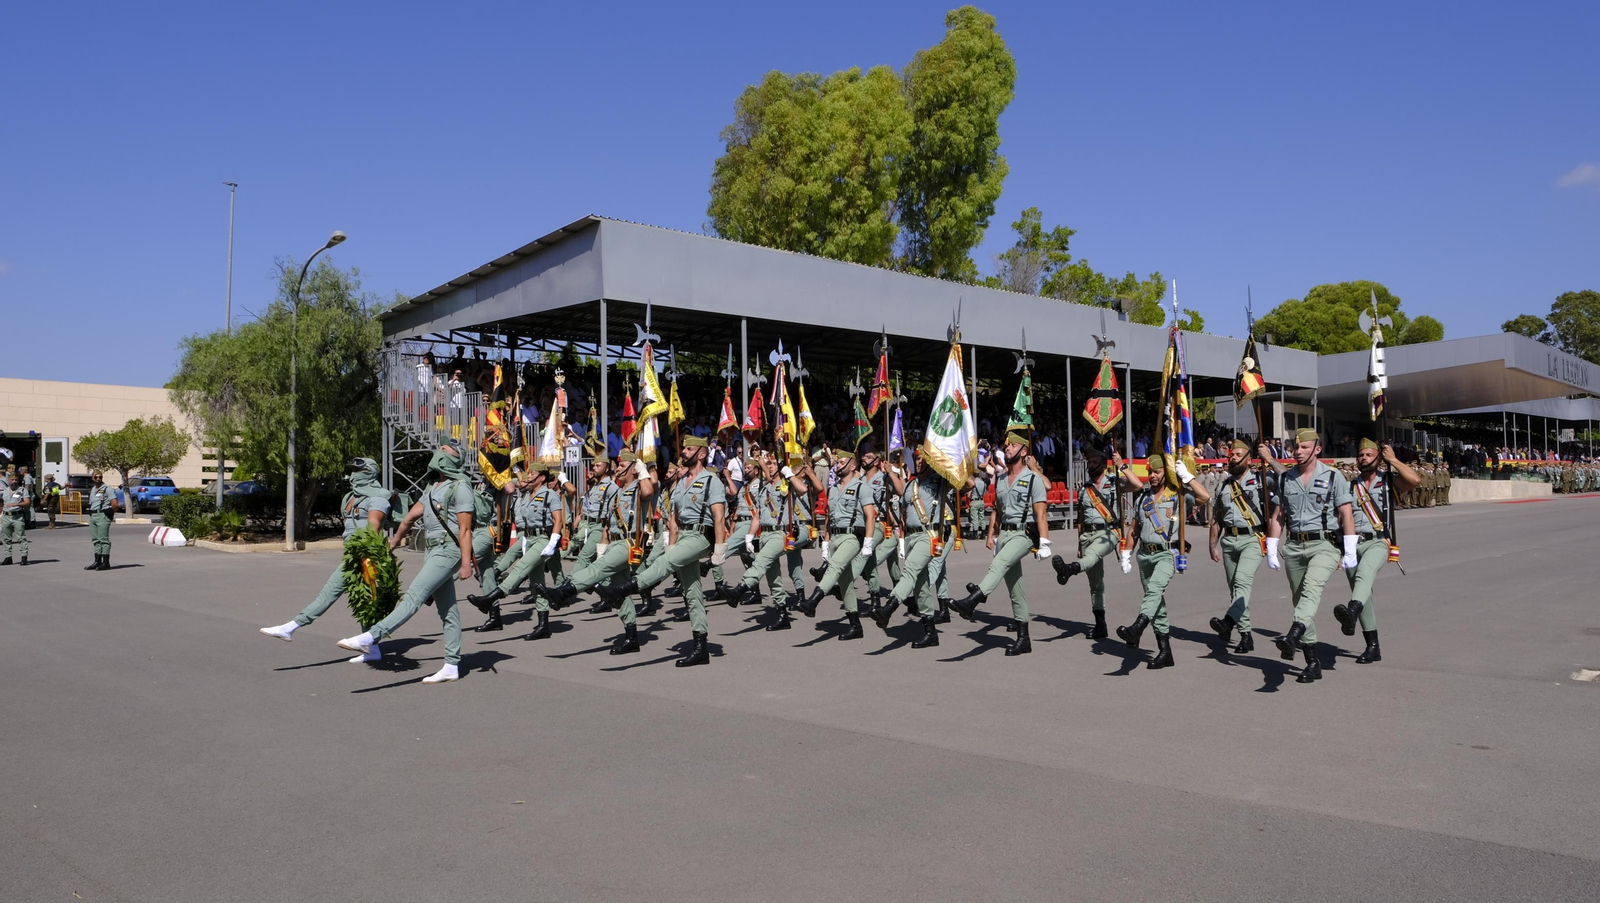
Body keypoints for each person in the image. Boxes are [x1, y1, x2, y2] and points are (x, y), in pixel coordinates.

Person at [338, 444, 476, 685]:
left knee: (414, 596)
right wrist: (394, 541)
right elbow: (411, 517)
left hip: (448, 550)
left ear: (454, 459)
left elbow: (465, 529)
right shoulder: (433, 486)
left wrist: (466, 563)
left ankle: (371, 637)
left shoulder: (460, 486)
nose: (439, 450)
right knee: (448, 610)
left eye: (445, 449)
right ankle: (452, 665)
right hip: (432, 550)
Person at [597, 434, 728, 667]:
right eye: (684, 448)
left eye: (689, 449)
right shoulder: (680, 484)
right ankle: (701, 648)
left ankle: (623, 590)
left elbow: (719, 517)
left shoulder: (712, 481)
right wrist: (672, 545)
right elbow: (674, 520)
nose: (683, 452)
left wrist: (719, 550)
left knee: (663, 564)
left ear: (701, 454)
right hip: (683, 537)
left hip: (700, 536)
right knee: (692, 593)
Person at [259, 458, 392, 661]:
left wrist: (366, 553)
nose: (354, 474)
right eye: (353, 470)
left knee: (329, 593)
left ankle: (291, 627)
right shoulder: (350, 497)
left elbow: (374, 524)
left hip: (365, 555)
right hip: (351, 552)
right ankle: (373, 649)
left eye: (359, 470)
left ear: (370, 473)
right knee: (365, 602)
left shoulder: (379, 497)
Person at [1264, 428, 1359, 684]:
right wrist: (1272, 546)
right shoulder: (1285, 479)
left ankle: (1293, 634)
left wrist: (1350, 549)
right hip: (1294, 546)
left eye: (1304, 447)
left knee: (1311, 590)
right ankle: (1313, 661)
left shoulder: (1333, 476)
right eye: (1296, 447)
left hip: (1324, 545)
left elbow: (1346, 513)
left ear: (1317, 449)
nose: (1298, 451)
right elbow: (1278, 516)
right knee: (1300, 602)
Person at [539, 450, 656, 652]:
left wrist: (642, 469)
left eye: (622, 465)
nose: (618, 468)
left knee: (596, 569)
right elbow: (608, 525)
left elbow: (648, 492)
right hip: (615, 542)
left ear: (633, 469)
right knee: (619, 591)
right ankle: (632, 637)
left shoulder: (638, 486)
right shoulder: (618, 492)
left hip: (630, 543)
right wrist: (603, 547)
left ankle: (563, 592)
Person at [950, 432, 1054, 656]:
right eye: (1007, 445)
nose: (1007, 448)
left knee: (1000, 563)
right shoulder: (1001, 478)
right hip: (1005, 534)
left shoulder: (1033, 479)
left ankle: (973, 600)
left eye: (1013, 445)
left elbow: (1041, 513)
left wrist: (1045, 542)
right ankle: (1024, 639)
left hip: (1024, 534)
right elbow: (997, 510)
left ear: (1024, 452)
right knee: (1015, 588)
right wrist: (992, 534)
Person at [1113, 453, 1210, 669]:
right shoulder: (1143, 498)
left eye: (1157, 472)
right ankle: (1165, 651)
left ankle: (1138, 627)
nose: (1152, 476)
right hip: (1145, 554)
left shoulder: (1178, 495)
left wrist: (1187, 478)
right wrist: (1126, 554)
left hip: (1167, 553)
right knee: (1155, 601)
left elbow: (1205, 497)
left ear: (1166, 473)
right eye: (1150, 472)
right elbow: (1134, 529)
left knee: (1154, 590)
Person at [1331, 439, 1420, 665]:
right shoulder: (1350, 486)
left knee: (1365, 574)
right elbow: (1340, 519)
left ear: (1378, 458)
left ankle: (1352, 611)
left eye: (1369, 455)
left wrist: (1393, 460)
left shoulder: (1388, 480)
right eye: (1361, 455)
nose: (1364, 458)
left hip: (1378, 542)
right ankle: (1373, 646)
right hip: (1352, 544)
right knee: (1363, 593)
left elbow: (1414, 480)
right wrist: (1341, 550)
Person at [467, 463, 565, 639]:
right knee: (536, 582)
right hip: (528, 538)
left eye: (532, 474)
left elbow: (558, 520)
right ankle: (543, 625)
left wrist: (552, 543)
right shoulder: (527, 496)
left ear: (542, 477)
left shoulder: (549, 495)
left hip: (543, 539)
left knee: (520, 568)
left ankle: (490, 598)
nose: (529, 476)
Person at [872, 448, 958, 648]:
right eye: (917, 459)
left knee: (909, 571)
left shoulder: (940, 481)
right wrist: (891, 474)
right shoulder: (912, 484)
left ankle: (889, 608)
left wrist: (944, 464)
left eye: (923, 459)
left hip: (929, 535)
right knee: (921, 585)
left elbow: (967, 484)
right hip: (911, 536)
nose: (919, 462)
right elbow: (902, 500)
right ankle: (930, 632)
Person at [1052, 445, 1136, 639]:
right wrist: (1079, 544)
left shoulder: (1114, 482)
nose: (1091, 465)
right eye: (1089, 462)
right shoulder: (1085, 489)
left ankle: (1070, 569)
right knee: (1095, 584)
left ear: (1104, 464)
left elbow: (1137, 485)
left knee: (1093, 554)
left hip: (1108, 533)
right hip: (1087, 535)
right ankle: (1100, 625)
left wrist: (1122, 466)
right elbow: (1080, 518)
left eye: (1095, 462)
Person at [1204, 440, 1280, 654]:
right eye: (1231, 455)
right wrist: (1212, 545)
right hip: (1229, 540)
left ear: (1249, 459)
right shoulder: (1223, 485)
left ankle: (1228, 622)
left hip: (1253, 538)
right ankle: (1246, 635)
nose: (1233, 458)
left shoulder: (1261, 479)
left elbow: (1287, 478)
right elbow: (1217, 518)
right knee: (1235, 589)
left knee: (1241, 582)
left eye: (1238, 455)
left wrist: (1269, 459)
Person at [794, 447, 876, 640]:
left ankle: (813, 601)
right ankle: (855, 625)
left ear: (852, 466)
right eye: (837, 462)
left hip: (851, 537)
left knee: (834, 567)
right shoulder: (832, 489)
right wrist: (825, 543)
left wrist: (868, 542)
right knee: (846, 583)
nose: (837, 465)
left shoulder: (861, 487)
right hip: (835, 538)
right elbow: (829, 518)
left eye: (841, 463)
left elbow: (870, 515)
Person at [85, 470, 117, 570]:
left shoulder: (107, 489)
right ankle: (97, 561)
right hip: (93, 515)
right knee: (96, 540)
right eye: (96, 477)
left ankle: (106, 563)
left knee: (104, 540)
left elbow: (114, 504)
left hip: (103, 515)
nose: (98, 479)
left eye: (100, 477)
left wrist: (110, 513)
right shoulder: (93, 489)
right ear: (92, 478)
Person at [1, 472, 31, 566]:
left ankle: (24, 557)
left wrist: (16, 504)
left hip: (17, 516)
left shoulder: (22, 490)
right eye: (12, 480)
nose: (14, 482)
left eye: (16, 480)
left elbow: (27, 502)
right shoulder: (5, 490)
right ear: (8, 480)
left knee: (21, 537)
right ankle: (8, 557)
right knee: (6, 538)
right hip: (6, 516)